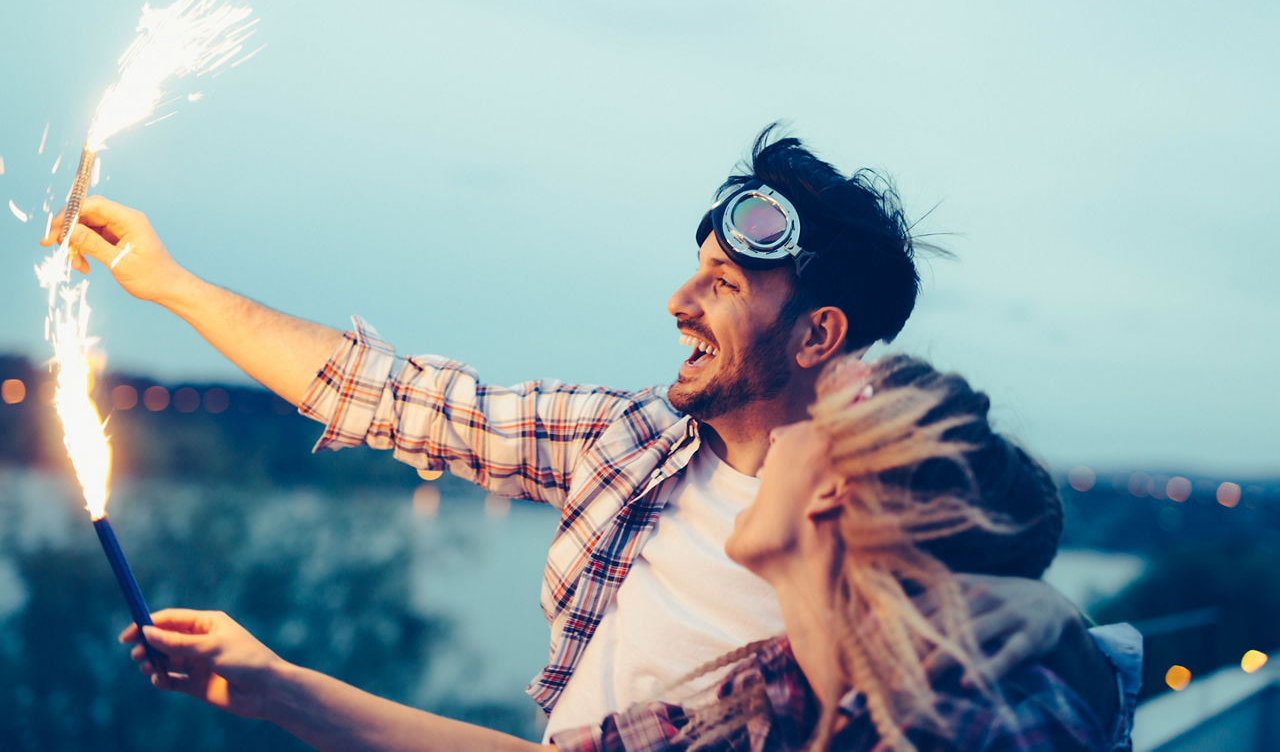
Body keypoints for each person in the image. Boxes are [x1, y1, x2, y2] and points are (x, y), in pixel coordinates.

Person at [51, 126, 1139, 738]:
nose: (676, 300)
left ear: (817, 332)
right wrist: (173, 286)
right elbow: (384, 393)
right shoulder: (631, 443)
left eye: (719, 282)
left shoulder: (888, 581)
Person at [121, 353, 1130, 750]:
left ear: (829, 490)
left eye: (807, 425)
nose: (773, 439)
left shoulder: (987, 723)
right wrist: (275, 684)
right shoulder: (769, 693)